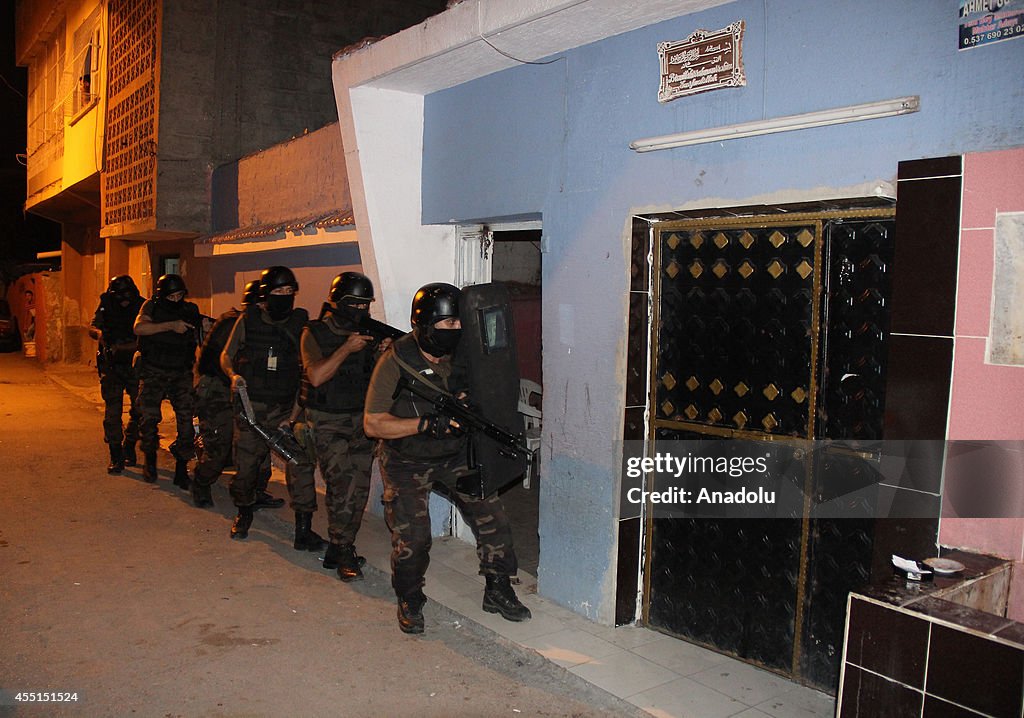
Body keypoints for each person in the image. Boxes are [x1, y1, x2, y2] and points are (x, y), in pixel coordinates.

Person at [364, 282, 530, 634]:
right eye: (446, 325)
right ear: (422, 325)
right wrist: (424, 424)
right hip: (406, 459)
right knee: (414, 538)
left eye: (458, 324)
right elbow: (373, 423)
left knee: (492, 516)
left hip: (454, 454)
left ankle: (497, 588)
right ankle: (410, 599)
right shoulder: (395, 361)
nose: (454, 331)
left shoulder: (465, 353)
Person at [220, 266, 323, 549]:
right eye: (279, 291)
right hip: (251, 408)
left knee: (300, 463)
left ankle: (303, 529)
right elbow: (226, 355)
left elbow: (308, 368)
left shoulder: (300, 323)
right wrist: (233, 376)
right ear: (266, 294)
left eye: (290, 292)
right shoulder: (248, 320)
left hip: (284, 410)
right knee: (246, 467)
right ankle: (243, 512)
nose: (285, 297)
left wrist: (293, 415)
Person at [299, 272, 387, 581]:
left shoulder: (367, 333)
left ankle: (338, 547)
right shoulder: (314, 333)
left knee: (360, 488)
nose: (361, 311)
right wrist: (346, 349)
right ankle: (344, 548)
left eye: (366, 305)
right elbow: (317, 376)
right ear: (337, 303)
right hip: (327, 420)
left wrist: (380, 353)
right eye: (355, 304)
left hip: (360, 420)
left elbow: (375, 380)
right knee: (341, 487)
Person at [190, 281, 283, 510]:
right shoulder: (232, 323)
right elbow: (210, 362)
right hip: (219, 391)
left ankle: (255, 491)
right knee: (219, 447)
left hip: (250, 394)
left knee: (259, 448)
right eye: (261, 303)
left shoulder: (271, 328)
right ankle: (201, 483)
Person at [133, 274, 201, 487]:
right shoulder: (150, 307)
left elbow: (198, 339)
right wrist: (171, 326)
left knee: (186, 423)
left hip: (181, 372)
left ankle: (182, 468)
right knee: (149, 418)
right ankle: (150, 458)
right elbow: (139, 328)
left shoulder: (190, 310)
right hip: (154, 370)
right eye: (171, 296)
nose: (176, 299)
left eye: (180, 295)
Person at [89, 275, 145, 474]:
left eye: (127, 296)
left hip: (134, 365)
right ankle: (116, 455)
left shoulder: (142, 305)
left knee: (140, 409)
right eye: (120, 296)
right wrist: (100, 335)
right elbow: (93, 326)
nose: (124, 300)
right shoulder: (106, 303)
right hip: (111, 365)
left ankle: (129, 443)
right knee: (113, 413)